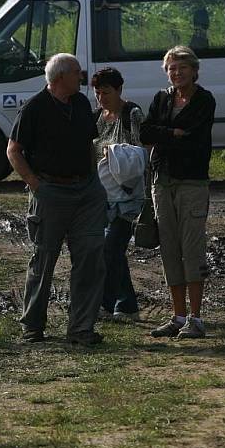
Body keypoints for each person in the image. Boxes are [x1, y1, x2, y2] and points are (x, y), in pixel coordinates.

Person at [6, 53, 108, 346]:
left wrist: (94, 181)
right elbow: (13, 150)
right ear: (61, 76)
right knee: (44, 260)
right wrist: (36, 185)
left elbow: (89, 143)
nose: (82, 76)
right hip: (51, 191)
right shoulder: (34, 107)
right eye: (78, 72)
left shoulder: (79, 103)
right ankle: (32, 327)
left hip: (86, 191)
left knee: (90, 256)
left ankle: (81, 329)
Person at [140, 46, 215, 339]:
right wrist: (172, 132)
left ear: (194, 70)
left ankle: (196, 319)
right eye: (171, 68)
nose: (176, 73)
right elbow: (145, 133)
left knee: (191, 249)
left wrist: (165, 133)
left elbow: (195, 139)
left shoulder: (204, 100)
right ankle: (178, 316)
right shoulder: (162, 98)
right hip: (162, 180)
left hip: (192, 182)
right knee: (169, 247)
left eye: (181, 67)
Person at [92, 67, 146, 322]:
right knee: (112, 250)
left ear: (119, 90)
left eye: (106, 92)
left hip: (128, 197)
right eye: (98, 93)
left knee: (110, 248)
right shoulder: (98, 118)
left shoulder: (132, 114)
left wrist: (113, 155)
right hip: (104, 196)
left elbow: (140, 153)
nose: (102, 98)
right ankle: (126, 305)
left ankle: (111, 303)